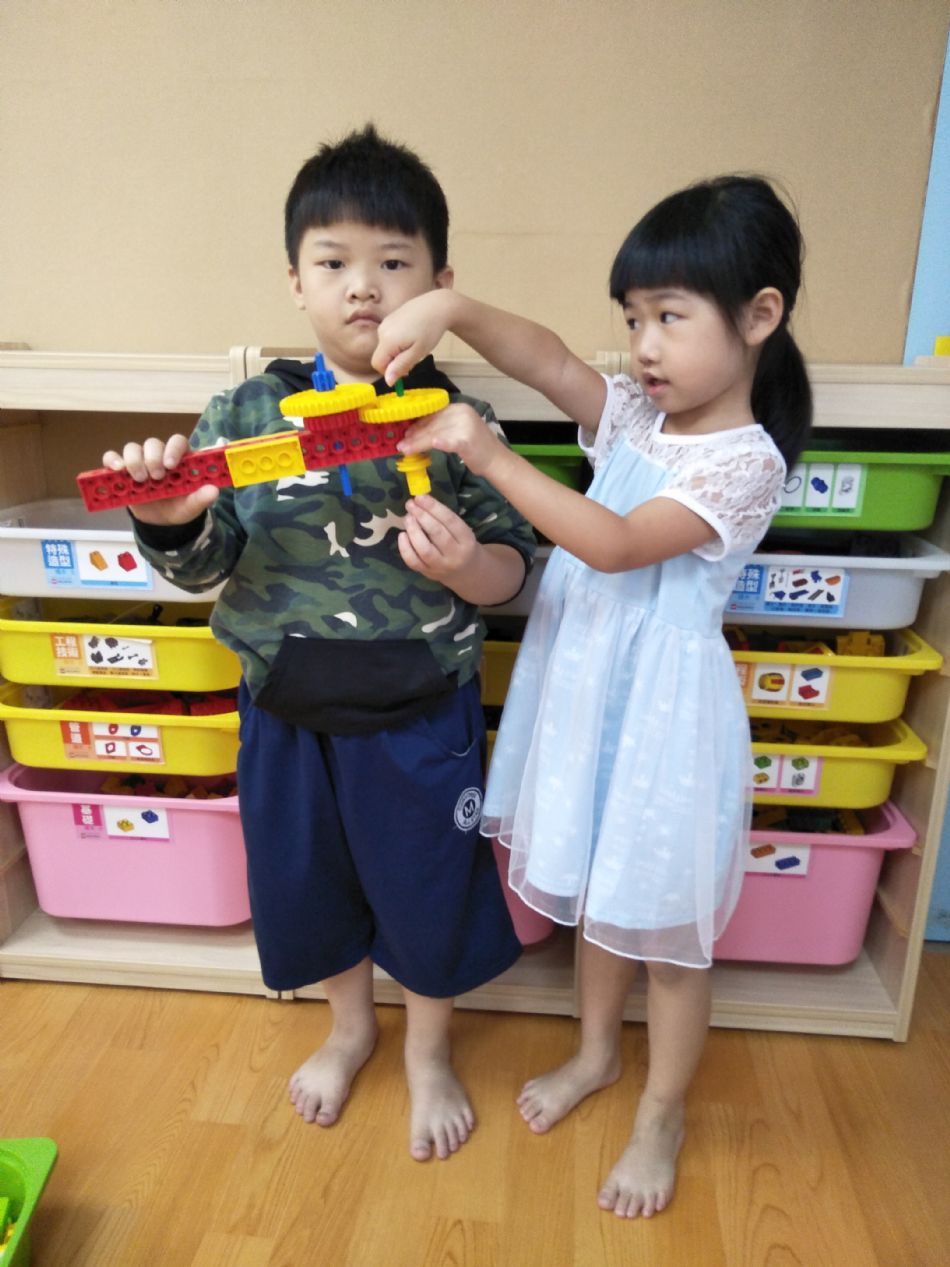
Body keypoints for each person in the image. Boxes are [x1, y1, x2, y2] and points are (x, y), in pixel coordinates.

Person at [372, 175, 812, 1215]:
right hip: (582, 701)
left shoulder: (743, 462)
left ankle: (662, 1110)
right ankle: (595, 1053)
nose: (642, 346)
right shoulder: (638, 420)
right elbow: (549, 359)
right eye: (632, 318)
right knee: (598, 900)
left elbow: (612, 545)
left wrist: (487, 452)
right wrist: (454, 308)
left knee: (662, 933)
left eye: (669, 317)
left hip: (662, 723)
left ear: (758, 316)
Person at [100, 124, 536, 1162]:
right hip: (286, 706)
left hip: (420, 706)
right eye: (333, 262)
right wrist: (165, 521)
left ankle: (428, 1047)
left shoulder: (458, 419)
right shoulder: (244, 413)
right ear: (294, 281)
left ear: (440, 284)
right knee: (309, 879)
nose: (364, 287)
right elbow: (204, 566)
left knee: (425, 880)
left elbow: (518, 568)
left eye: (394, 263)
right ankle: (349, 1028)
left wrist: (468, 567)